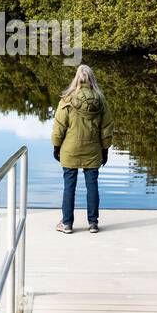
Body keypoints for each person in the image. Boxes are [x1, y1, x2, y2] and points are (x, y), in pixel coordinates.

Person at [51, 64, 114, 234]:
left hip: (70, 150)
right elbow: (107, 128)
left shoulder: (67, 100)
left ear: (77, 79)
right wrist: (105, 149)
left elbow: (59, 127)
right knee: (92, 185)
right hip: (93, 149)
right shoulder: (101, 101)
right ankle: (93, 223)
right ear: (92, 78)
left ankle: (67, 224)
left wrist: (56, 146)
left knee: (69, 186)